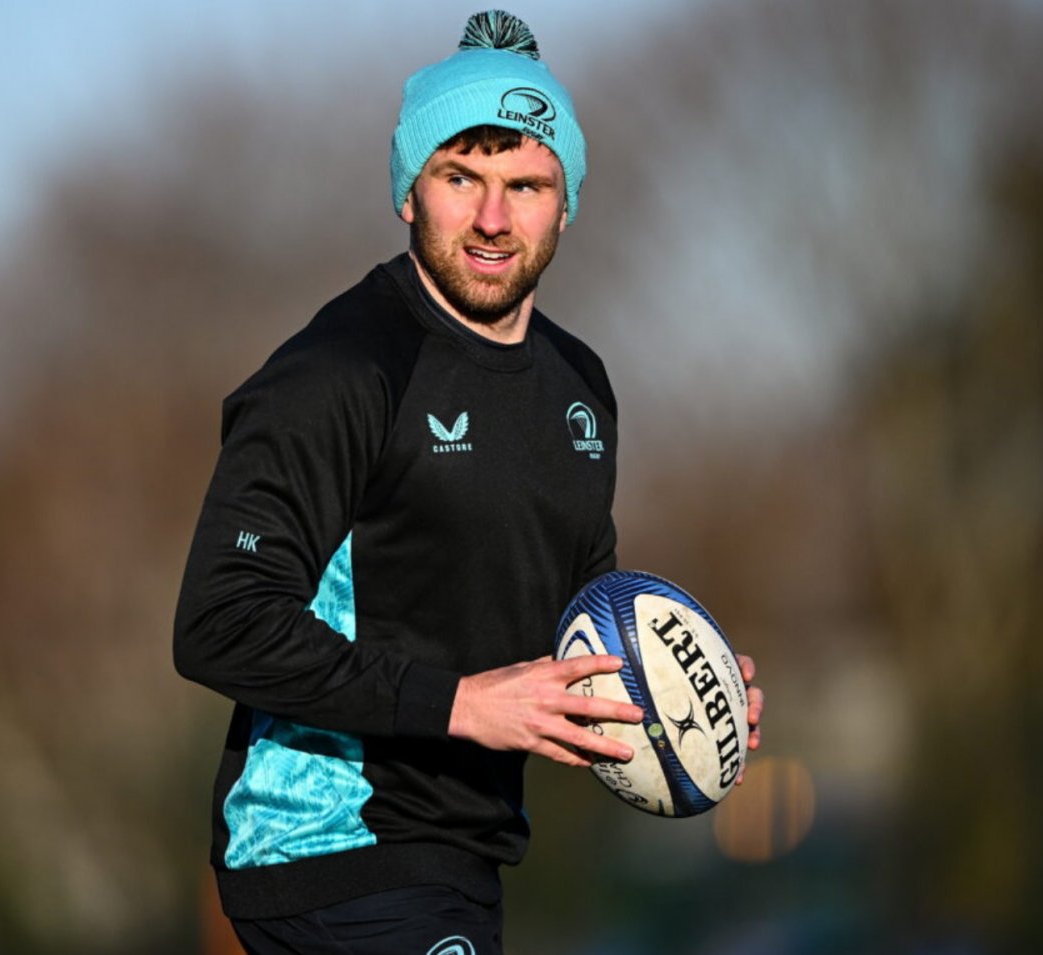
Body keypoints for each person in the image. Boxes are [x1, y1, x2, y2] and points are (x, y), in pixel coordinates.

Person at [174, 10, 764, 954]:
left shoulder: (579, 388)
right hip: (326, 851)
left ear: (565, 205)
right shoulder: (338, 372)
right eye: (461, 178)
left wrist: (678, 686)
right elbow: (220, 619)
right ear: (410, 192)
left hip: (465, 861)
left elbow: (571, 624)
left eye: (526, 185)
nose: (494, 219)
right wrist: (463, 705)